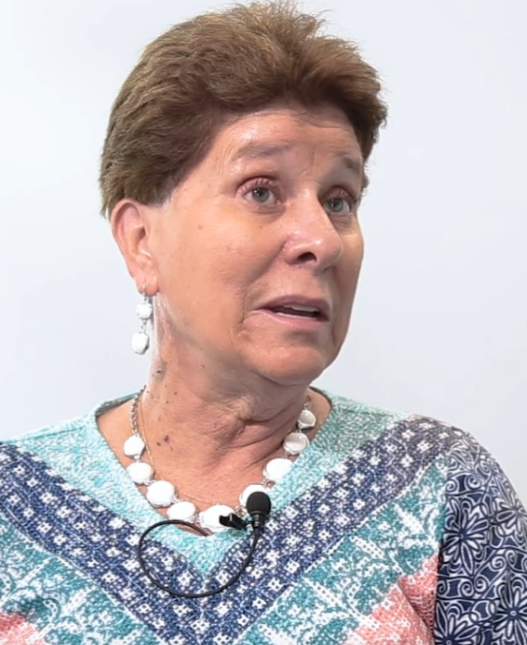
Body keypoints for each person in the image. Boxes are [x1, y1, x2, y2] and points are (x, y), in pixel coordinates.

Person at [1, 1, 526, 643]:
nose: (322, 241)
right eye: (261, 190)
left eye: (340, 200)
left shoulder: (443, 490)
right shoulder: (14, 506)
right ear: (142, 241)